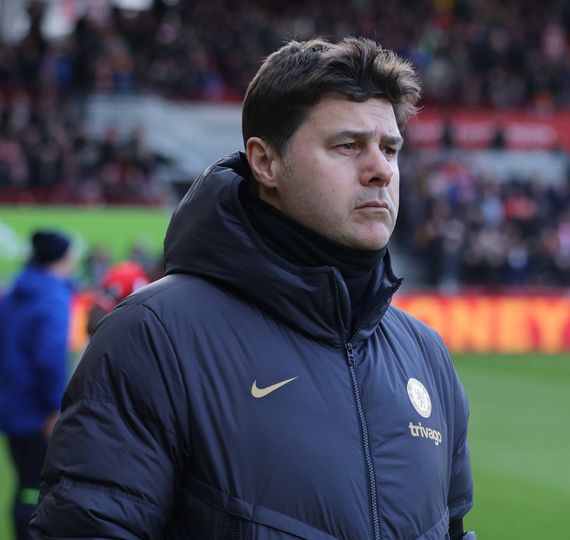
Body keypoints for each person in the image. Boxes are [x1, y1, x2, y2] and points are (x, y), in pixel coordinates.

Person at [33, 37, 474, 539]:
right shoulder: (153, 337)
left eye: (390, 148)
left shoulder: (426, 354)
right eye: (347, 145)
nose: (380, 170)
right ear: (266, 163)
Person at [0, 230, 74, 540]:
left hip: (11, 403)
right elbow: (50, 358)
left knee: (25, 482)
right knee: (38, 486)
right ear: (61, 258)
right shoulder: (53, 297)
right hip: (36, 410)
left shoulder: (12, 292)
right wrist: (54, 407)